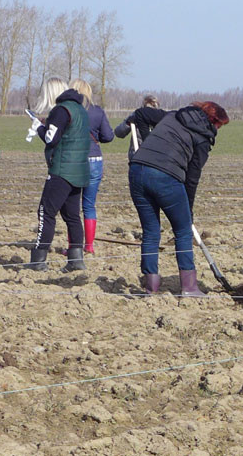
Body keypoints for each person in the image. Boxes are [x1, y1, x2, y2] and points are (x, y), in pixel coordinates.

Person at [126, 101, 229, 296]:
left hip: (137, 169)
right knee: (182, 230)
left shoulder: (173, 115)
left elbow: (141, 113)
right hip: (165, 176)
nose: (218, 129)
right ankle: (189, 287)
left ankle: (151, 287)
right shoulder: (203, 138)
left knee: (150, 230)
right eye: (219, 126)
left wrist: (147, 143)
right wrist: (188, 211)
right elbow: (192, 178)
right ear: (213, 121)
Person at [25, 78, 91, 271]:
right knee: (72, 216)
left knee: (46, 212)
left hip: (62, 170)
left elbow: (50, 138)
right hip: (78, 171)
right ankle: (76, 260)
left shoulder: (60, 110)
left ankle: (38, 260)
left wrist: (38, 126)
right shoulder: (80, 109)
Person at [69, 79, 114, 254]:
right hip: (95, 159)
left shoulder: (70, 110)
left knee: (72, 206)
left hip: (75, 160)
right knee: (89, 204)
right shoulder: (98, 111)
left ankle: (74, 246)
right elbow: (108, 136)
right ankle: (89, 245)